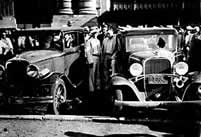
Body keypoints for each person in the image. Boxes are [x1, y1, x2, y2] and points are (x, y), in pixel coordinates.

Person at [85, 27, 102, 92]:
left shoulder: (98, 41)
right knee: (92, 73)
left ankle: (98, 87)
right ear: (92, 34)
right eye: (94, 33)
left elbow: (100, 50)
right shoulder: (89, 41)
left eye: (96, 33)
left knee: (98, 73)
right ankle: (91, 88)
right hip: (92, 57)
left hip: (98, 57)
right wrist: (90, 61)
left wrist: (100, 59)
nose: (95, 34)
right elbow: (87, 51)